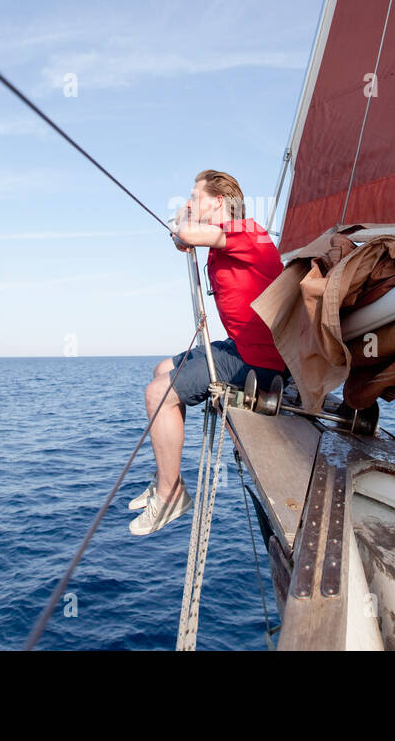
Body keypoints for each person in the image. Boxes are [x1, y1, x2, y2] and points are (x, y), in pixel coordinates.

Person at [130, 170, 287, 535]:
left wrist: (183, 222)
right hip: (242, 346)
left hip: (262, 361)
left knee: (159, 394)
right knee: (160, 370)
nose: (189, 202)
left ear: (218, 202)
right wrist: (183, 232)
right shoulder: (225, 242)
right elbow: (184, 240)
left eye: (195, 196)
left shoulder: (247, 232)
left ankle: (172, 496)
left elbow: (185, 234)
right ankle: (164, 477)